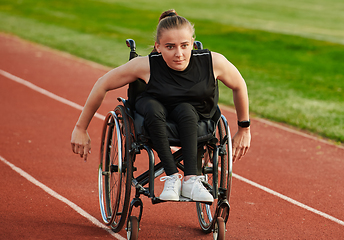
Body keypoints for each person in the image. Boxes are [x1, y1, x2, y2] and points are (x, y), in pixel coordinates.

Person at [71, 9, 251, 202]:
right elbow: (102, 83)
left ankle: (191, 180)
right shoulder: (146, 65)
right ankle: (172, 177)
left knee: (187, 109)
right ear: (158, 47)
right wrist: (80, 128)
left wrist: (244, 129)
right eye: (170, 47)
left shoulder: (212, 62)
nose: (179, 54)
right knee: (153, 108)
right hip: (153, 111)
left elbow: (239, 85)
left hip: (191, 115)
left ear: (192, 43)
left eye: (184, 45)